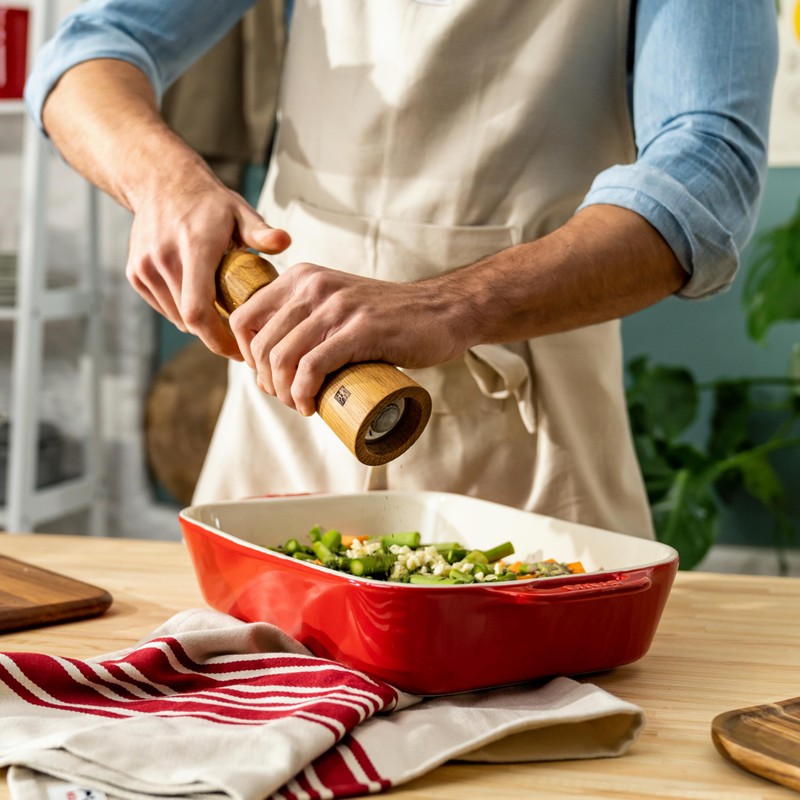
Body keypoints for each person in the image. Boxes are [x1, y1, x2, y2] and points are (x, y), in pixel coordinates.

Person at [25, 0, 778, 538]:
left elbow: (707, 172)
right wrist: (163, 181)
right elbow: (88, 50)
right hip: (288, 405)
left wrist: (454, 304)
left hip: (526, 443)